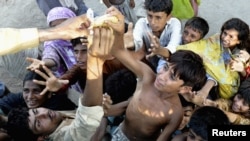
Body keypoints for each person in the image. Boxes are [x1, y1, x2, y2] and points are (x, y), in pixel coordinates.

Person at [105, 6, 207, 140]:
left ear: (184, 88)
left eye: (172, 77)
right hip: (120, 134)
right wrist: (118, 31)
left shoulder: (175, 113)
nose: (161, 77)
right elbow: (118, 52)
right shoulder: (146, 76)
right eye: (165, 68)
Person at [5, 23, 114, 141]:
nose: (43, 115)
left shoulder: (57, 114)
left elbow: (94, 112)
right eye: (38, 123)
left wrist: (102, 110)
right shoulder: (63, 137)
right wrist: (95, 59)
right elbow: (86, 118)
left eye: (36, 111)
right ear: (42, 138)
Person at [177, 18, 250, 100]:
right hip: (204, 76)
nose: (225, 38)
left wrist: (242, 71)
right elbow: (200, 47)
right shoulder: (216, 39)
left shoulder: (243, 55)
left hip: (221, 90)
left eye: (231, 37)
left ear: (239, 41)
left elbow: (245, 80)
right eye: (225, 33)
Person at [0, 14, 90, 56]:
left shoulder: (84, 38)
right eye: (54, 26)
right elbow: (50, 55)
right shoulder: (52, 44)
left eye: (63, 23)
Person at [0, 69, 76, 116]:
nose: (30, 96)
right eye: (26, 90)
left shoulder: (58, 105)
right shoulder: (20, 98)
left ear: (48, 93)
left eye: (36, 91)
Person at [132, 0, 182, 70]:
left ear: (168, 17)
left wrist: (159, 50)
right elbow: (136, 41)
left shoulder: (175, 24)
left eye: (158, 17)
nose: (152, 22)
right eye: (150, 16)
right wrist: (130, 43)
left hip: (167, 63)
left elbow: (173, 49)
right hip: (148, 62)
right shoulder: (141, 23)